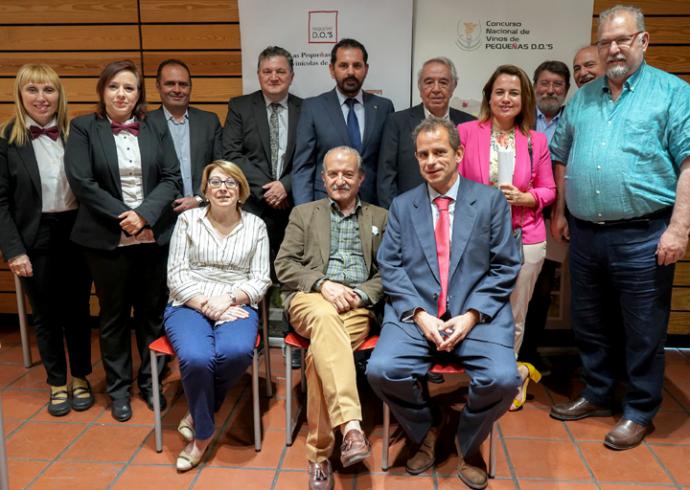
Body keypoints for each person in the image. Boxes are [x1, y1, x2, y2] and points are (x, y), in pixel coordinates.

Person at [549, 5, 690, 450]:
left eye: (621, 40)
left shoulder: (672, 93)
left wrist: (679, 229)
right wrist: (559, 212)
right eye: (605, 41)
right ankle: (597, 391)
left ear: (643, 41)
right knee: (590, 321)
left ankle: (640, 409)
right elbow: (561, 152)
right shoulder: (583, 97)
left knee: (643, 328)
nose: (612, 48)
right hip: (586, 233)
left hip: (645, 234)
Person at [367, 117, 521, 490]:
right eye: (423, 154)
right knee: (380, 370)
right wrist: (420, 316)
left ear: (459, 153)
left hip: (477, 316)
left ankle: (467, 441)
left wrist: (470, 316)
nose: (431, 161)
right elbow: (390, 265)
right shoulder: (403, 206)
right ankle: (428, 426)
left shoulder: (489, 201)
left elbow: (505, 265)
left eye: (439, 152)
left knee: (503, 380)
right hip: (417, 315)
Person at [65, 60, 181, 422]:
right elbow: (82, 182)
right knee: (113, 317)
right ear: (102, 90)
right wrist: (124, 216)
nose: (121, 94)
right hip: (105, 238)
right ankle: (118, 390)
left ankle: (149, 382)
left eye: (129, 88)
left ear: (138, 95)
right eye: (114, 86)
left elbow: (171, 177)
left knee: (150, 314)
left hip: (151, 236)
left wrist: (144, 214)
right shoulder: (84, 128)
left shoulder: (154, 127)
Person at [275, 146, 387, 489]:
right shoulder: (303, 214)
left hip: (356, 306)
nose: (340, 180)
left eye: (348, 174)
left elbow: (389, 272)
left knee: (317, 357)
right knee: (324, 318)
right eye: (333, 174)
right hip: (311, 299)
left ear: (361, 178)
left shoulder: (380, 218)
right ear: (323, 178)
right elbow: (284, 265)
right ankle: (352, 427)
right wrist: (323, 285)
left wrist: (361, 295)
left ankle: (319, 455)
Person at [457, 65, 556, 411]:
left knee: (515, 311)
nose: (506, 98)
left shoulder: (536, 140)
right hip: (475, 238)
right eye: (500, 91)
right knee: (475, 307)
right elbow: (452, 184)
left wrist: (528, 198)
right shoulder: (467, 132)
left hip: (524, 235)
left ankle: (509, 375)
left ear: (524, 99)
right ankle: (482, 372)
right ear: (489, 96)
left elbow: (549, 188)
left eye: (514, 92)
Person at [164, 160, 270, 472]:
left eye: (231, 183)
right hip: (188, 302)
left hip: (236, 302)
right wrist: (205, 303)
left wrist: (228, 299)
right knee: (197, 358)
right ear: (206, 190)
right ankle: (203, 436)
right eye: (216, 182)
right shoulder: (188, 222)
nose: (223, 188)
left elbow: (261, 279)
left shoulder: (256, 226)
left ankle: (199, 412)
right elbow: (176, 274)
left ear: (241, 191)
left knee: (236, 352)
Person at [0, 64, 93, 416]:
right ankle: (57, 382)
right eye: (33, 90)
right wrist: (14, 250)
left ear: (60, 95)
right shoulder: (6, 139)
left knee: (79, 311)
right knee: (46, 315)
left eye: (48, 90)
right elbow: (0, 202)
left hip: (76, 232)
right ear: (20, 95)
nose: (41, 98)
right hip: (33, 236)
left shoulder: (77, 133)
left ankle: (81, 376)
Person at [223, 46, 302, 263]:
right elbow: (231, 153)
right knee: (252, 270)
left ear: (291, 76)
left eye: (280, 71)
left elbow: (310, 156)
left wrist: (285, 185)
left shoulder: (306, 109)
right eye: (267, 71)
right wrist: (270, 189)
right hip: (252, 205)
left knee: (291, 272)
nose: (274, 77)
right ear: (258, 75)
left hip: (294, 207)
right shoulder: (240, 107)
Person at [292, 38, 394, 206]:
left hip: (371, 206)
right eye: (343, 65)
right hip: (325, 204)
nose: (350, 72)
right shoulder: (313, 107)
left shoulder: (383, 107)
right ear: (332, 69)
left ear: (366, 69)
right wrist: (305, 213)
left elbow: (387, 166)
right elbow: (303, 167)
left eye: (357, 65)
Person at [518, 61, 570, 375]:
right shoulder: (522, 118)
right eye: (544, 83)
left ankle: (529, 354)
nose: (550, 90)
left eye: (557, 85)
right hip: (521, 211)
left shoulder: (573, 119)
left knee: (542, 287)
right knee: (515, 284)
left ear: (566, 90)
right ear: (534, 86)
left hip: (555, 213)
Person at [377, 57, 474, 208]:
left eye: (443, 82)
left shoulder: (469, 124)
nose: (436, 89)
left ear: (454, 86)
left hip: (460, 213)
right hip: (409, 214)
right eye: (429, 82)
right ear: (420, 87)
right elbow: (386, 178)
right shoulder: (397, 122)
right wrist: (396, 216)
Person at [148, 59, 222, 213]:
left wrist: (200, 199)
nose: (177, 89)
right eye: (170, 84)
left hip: (205, 213)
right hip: (160, 216)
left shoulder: (209, 121)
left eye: (183, 84)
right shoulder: (144, 124)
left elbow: (221, 168)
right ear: (158, 86)